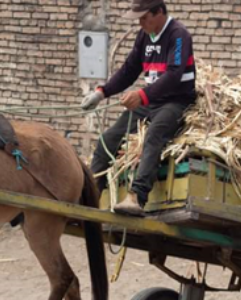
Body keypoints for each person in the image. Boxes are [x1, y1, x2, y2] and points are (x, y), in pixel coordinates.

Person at [82, 0, 197, 216]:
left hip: (177, 101)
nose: (141, 22)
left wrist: (142, 95)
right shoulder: (144, 36)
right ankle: (90, 197)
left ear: (160, 12)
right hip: (151, 102)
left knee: (154, 135)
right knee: (108, 139)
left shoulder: (178, 35)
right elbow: (129, 70)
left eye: (145, 17)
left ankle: (136, 197)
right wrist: (101, 93)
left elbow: (173, 75)